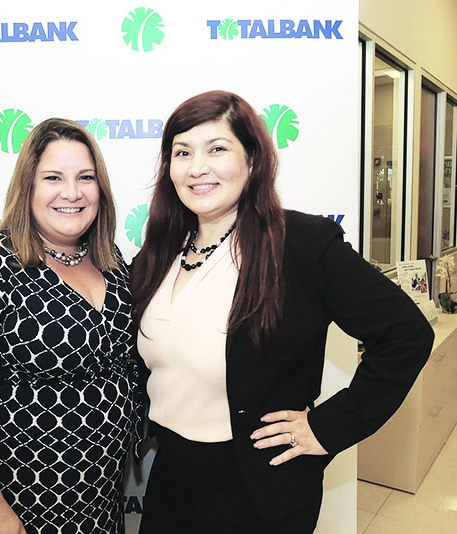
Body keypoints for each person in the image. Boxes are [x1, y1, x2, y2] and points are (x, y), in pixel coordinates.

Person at [130, 90, 435, 534]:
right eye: (182, 152)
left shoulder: (301, 245)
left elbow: (406, 335)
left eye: (217, 149)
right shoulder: (157, 254)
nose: (197, 167)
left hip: (259, 489)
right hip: (172, 479)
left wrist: (327, 427)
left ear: (252, 159)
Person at [0, 118, 139, 534]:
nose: (72, 192)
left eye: (85, 177)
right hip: (19, 504)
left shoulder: (110, 260)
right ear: (28, 186)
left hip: (99, 501)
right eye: (53, 178)